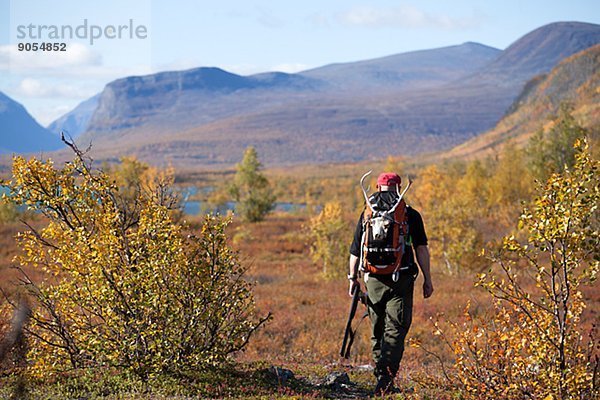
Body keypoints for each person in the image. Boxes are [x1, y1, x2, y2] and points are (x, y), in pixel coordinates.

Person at [348, 172, 433, 395]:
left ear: (377, 186)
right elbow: (421, 248)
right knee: (395, 328)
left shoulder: (367, 214)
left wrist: (352, 279)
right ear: (399, 187)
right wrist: (427, 278)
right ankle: (386, 378)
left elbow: (355, 251)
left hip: (372, 279)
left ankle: (381, 375)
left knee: (377, 328)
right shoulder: (409, 214)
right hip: (401, 280)